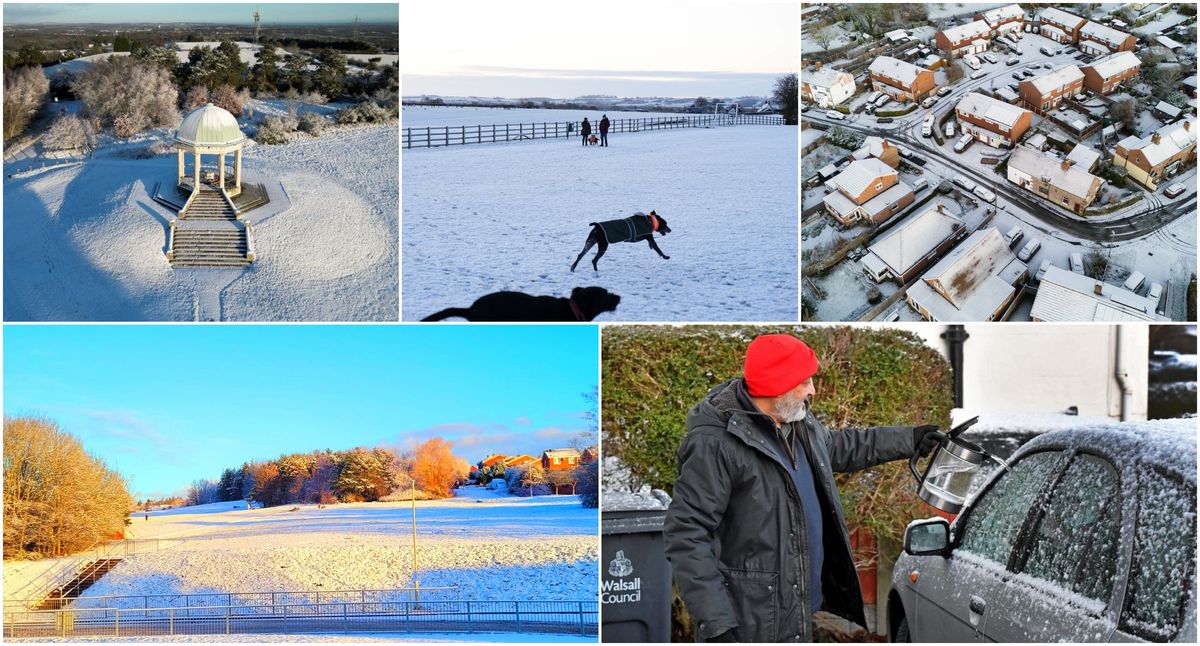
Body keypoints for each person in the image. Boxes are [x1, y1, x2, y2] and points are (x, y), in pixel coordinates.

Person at [664, 334, 944, 643]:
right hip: (752, 619)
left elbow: (840, 446)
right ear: (776, 386)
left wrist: (910, 439)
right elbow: (686, 532)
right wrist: (716, 624)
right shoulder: (716, 443)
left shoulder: (795, 421)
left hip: (794, 605)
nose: (812, 390)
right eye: (804, 382)